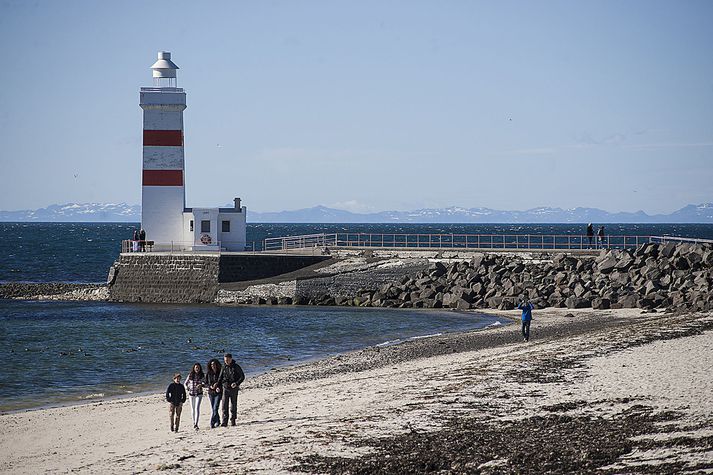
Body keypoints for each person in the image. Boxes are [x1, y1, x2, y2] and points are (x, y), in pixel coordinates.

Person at [218, 353, 245, 427]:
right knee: (224, 405)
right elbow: (220, 378)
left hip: (234, 388)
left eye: (227, 360)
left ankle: (233, 420)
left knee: (233, 405)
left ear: (231, 359)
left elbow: (242, 377)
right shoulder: (223, 367)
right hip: (225, 388)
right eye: (225, 360)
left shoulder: (236, 367)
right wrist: (217, 386)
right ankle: (224, 421)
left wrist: (236, 383)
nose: (226, 361)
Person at [184, 363, 205, 430]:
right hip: (191, 394)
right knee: (192, 409)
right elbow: (185, 383)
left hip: (199, 394)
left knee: (197, 408)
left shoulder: (202, 375)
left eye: (198, 367)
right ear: (194, 368)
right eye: (196, 367)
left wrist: (201, 385)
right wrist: (186, 387)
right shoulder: (190, 375)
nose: (197, 369)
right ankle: (194, 422)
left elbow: (205, 383)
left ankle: (196, 424)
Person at [205, 359, 223, 429]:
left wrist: (219, 387)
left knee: (215, 407)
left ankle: (212, 422)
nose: (213, 366)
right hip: (211, 393)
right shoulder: (209, 373)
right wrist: (210, 386)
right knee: (213, 409)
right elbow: (205, 383)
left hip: (218, 393)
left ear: (217, 365)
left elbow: (222, 382)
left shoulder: (220, 373)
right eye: (212, 365)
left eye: (214, 364)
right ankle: (218, 421)